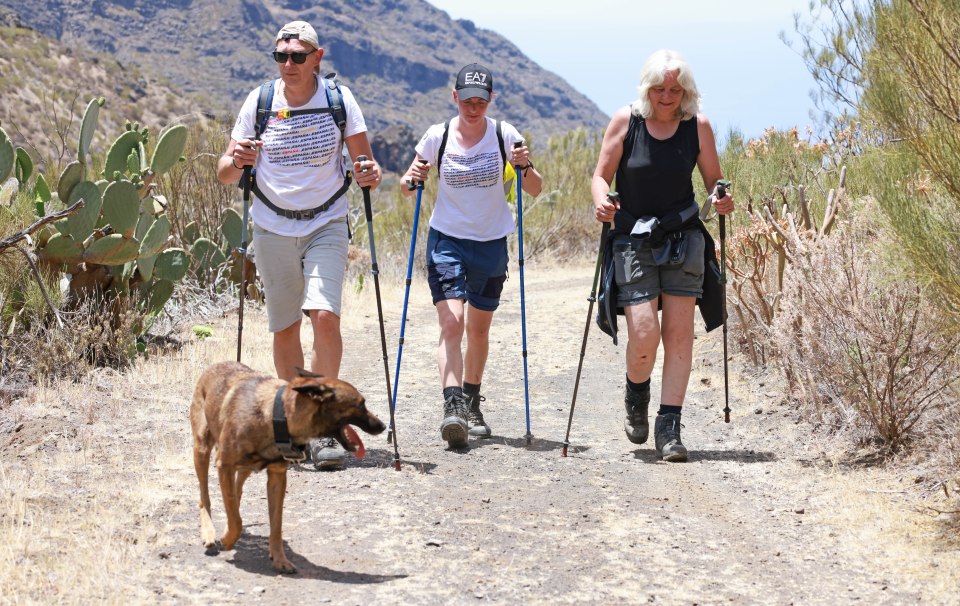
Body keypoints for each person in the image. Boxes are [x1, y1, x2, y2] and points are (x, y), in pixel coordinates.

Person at [217, 20, 382, 469]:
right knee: (286, 326)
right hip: (271, 226)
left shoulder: (339, 100)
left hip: (325, 223)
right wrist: (237, 159)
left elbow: (365, 161)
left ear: (317, 57)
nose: (288, 64)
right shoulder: (260, 101)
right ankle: (294, 426)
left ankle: (327, 426)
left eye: (297, 56)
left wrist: (369, 173)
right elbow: (225, 173)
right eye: (281, 56)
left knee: (324, 316)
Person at [591, 50, 734, 462]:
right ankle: (636, 393)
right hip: (632, 239)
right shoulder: (626, 122)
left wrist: (721, 199)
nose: (668, 96)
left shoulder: (697, 127)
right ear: (646, 88)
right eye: (660, 88)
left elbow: (713, 182)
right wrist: (603, 202)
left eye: (675, 89)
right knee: (643, 336)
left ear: (687, 91)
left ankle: (669, 426)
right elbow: (601, 176)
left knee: (678, 335)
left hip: (684, 238)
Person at [401, 63, 543, 448]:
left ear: (491, 99)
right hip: (446, 240)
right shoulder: (439, 136)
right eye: (467, 100)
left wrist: (524, 166)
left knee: (478, 330)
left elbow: (534, 189)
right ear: (455, 97)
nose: (474, 107)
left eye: (481, 101)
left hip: (491, 242)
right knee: (452, 323)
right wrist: (413, 177)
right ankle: (453, 408)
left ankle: (472, 401)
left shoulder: (503, 134)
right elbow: (406, 185)